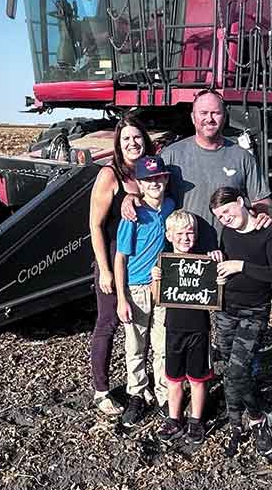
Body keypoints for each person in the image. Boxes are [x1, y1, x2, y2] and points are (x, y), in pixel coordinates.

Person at [123, 89, 272, 251]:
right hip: (186, 256)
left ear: (224, 117)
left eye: (215, 113)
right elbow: (151, 192)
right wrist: (131, 198)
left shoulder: (242, 157)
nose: (209, 119)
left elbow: (262, 200)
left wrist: (263, 212)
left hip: (231, 253)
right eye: (203, 113)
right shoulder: (171, 156)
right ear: (193, 118)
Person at [209, 186, 272, 458]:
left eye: (227, 211)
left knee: (237, 373)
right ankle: (238, 424)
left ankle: (253, 420)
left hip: (254, 312)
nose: (225, 218)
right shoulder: (227, 233)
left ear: (241, 202)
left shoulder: (267, 232)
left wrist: (240, 266)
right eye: (219, 216)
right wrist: (217, 260)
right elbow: (222, 261)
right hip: (226, 310)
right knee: (231, 370)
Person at [88, 116, 155, 417]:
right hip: (116, 258)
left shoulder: (151, 170)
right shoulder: (110, 174)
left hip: (146, 261)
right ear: (118, 143)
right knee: (108, 323)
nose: (132, 143)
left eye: (137, 137)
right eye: (126, 138)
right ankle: (101, 390)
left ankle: (142, 383)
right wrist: (103, 269)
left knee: (146, 323)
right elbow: (96, 224)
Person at [114, 155, 175, 427]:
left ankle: (163, 394)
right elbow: (121, 258)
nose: (154, 183)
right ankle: (137, 393)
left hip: (161, 285)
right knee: (136, 345)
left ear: (166, 179)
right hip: (136, 288)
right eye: (148, 179)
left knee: (162, 344)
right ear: (138, 183)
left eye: (158, 178)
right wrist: (121, 297)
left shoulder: (171, 207)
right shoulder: (133, 214)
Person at [151, 210, 218, 445]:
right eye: (179, 233)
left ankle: (196, 420)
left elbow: (216, 293)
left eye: (190, 233)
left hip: (199, 329)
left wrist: (218, 275)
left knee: (198, 379)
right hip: (173, 329)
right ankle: (173, 419)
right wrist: (155, 279)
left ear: (196, 235)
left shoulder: (205, 262)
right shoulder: (165, 263)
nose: (185, 238)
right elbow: (157, 297)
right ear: (169, 235)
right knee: (174, 378)